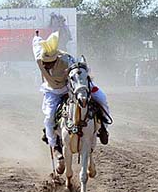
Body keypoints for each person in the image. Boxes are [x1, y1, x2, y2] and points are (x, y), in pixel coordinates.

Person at [33, 31, 111, 170]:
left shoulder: (67, 59)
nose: (47, 66)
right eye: (45, 63)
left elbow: (81, 70)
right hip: (52, 91)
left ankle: (103, 127)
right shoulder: (39, 56)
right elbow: (35, 43)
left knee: (101, 97)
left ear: (57, 58)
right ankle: (55, 147)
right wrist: (37, 37)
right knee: (49, 117)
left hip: (72, 86)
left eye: (50, 63)